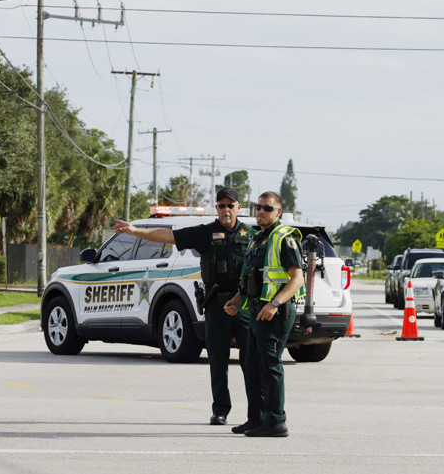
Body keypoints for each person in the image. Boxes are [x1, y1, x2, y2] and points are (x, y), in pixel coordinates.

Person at [113, 188, 256, 428]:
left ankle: (256, 413)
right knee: (217, 361)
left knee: (250, 361)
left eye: (230, 205)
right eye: (221, 205)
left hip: (243, 304)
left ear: (239, 208)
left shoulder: (251, 235)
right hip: (216, 303)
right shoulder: (205, 233)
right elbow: (169, 236)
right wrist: (136, 230)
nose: (226, 210)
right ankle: (220, 410)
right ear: (216, 209)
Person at [224, 191, 305, 438]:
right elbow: (252, 278)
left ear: (278, 212)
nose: (261, 211)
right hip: (256, 311)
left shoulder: (284, 238)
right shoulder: (258, 239)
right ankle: (256, 418)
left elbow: (296, 278)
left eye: (267, 208)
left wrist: (275, 303)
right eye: (258, 207)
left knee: (270, 366)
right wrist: (236, 301)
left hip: (275, 313)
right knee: (251, 365)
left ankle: (276, 421)